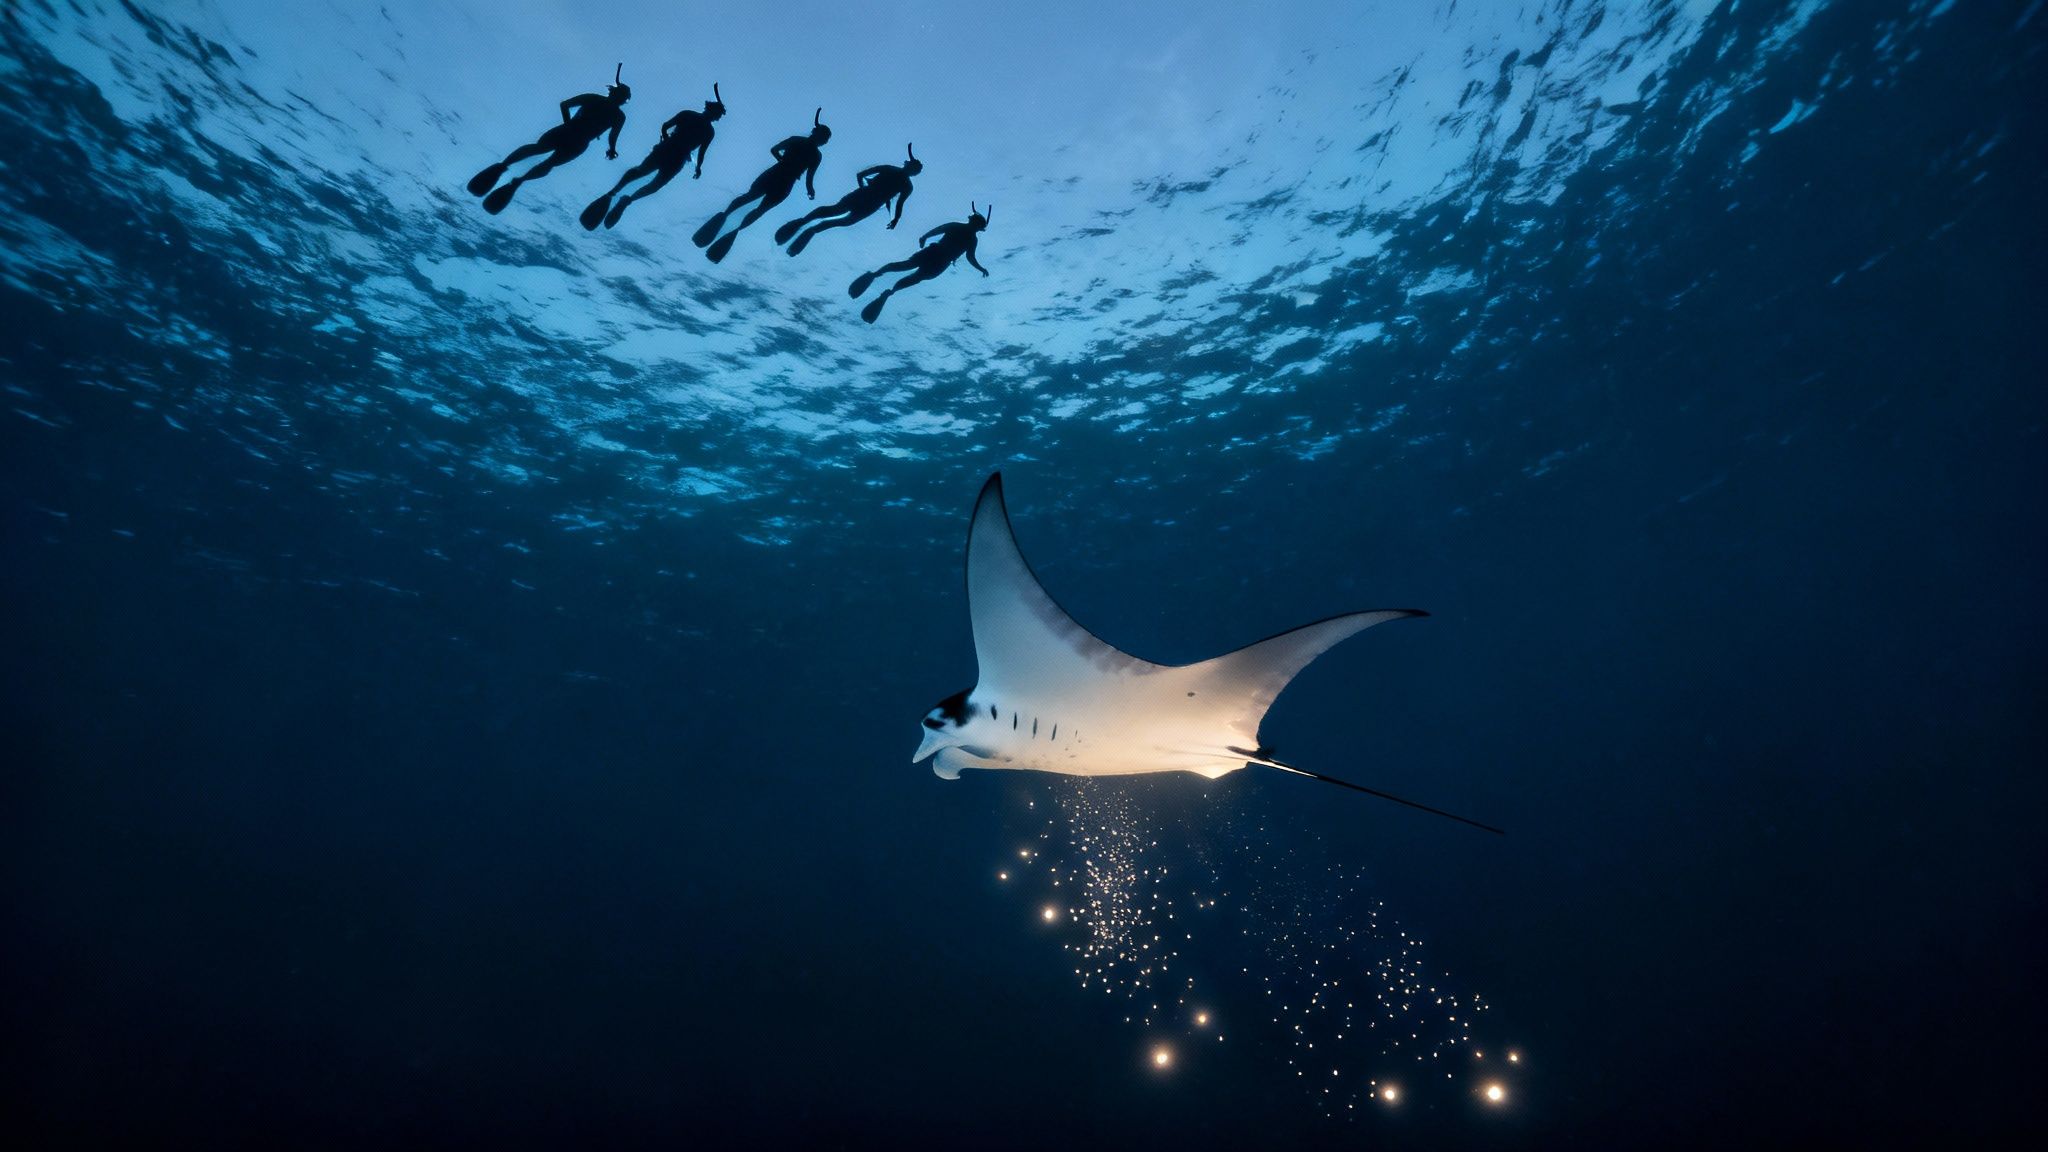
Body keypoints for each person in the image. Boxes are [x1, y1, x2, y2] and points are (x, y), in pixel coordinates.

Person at [469, 65, 631, 215]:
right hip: (578, 142)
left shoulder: (595, 100)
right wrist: (611, 149)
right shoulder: (617, 115)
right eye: (626, 99)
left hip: (568, 134)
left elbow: (565, 105)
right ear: (620, 96)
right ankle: (517, 179)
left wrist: (569, 126)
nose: (625, 102)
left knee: (538, 150)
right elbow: (612, 136)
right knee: (547, 162)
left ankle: (504, 168)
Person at [691, 108, 831, 263]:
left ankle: (726, 217)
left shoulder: (799, 142)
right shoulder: (814, 154)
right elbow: (808, 177)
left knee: (750, 199)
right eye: (825, 139)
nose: (824, 142)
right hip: (785, 182)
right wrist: (809, 189)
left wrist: (783, 162)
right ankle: (732, 228)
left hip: (776, 174)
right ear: (818, 135)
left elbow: (775, 150)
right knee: (759, 208)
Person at [581, 83, 726, 230]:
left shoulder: (704, 127)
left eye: (718, 117)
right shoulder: (691, 117)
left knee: (652, 183)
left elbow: (700, 150)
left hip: (676, 156)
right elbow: (666, 127)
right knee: (643, 174)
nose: (718, 119)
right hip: (670, 152)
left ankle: (625, 199)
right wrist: (666, 141)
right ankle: (615, 193)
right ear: (711, 110)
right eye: (718, 115)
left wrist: (698, 167)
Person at [848, 202, 991, 323]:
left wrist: (925, 237)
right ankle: (886, 287)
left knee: (909, 270)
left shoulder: (966, 234)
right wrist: (925, 237)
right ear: (979, 227)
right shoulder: (968, 236)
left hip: (936, 257)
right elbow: (968, 255)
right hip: (938, 260)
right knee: (912, 273)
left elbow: (969, 255)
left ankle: (881, 280)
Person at [773, 143, 921, 256]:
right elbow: (898, 202)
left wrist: (894, 218)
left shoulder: (896, 176)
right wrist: (895, 218)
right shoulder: (902, 181)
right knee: (838, 215)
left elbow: (862, 176)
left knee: (839, 215)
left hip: (867, 200)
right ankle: (808, 226)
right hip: (869, 202)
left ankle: (807, 225)